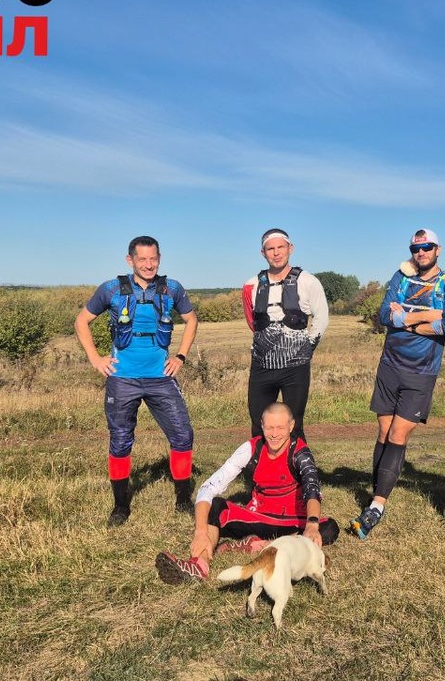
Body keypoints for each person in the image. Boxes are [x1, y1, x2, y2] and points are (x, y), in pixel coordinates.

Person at [75, 235, 199, 527]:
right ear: (130, 260)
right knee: (120, 440)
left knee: (183, 435)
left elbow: (192, 320)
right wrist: (96, 359)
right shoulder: (111, 289)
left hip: (161, 377)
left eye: (153, 259)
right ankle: (121, 507)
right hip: (122, 379)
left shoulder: (172, 288)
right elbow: (81, 321)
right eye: (142, 259)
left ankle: (183, 500)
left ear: (160, 258)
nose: (148, 265)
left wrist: (180, 357)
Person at [350, 228, 445, 539]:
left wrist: (406, 318)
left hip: (421, 372)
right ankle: (377, 494)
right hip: (389, 366)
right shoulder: (401, 277)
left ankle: (377, 506)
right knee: (383, 432)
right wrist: (424, 317)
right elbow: (385, 316)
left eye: (427, 247)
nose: (421, 252)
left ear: (438, 249)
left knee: (398, 434)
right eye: (416, 248)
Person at [155, 402, 339, 584]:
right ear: (262, 426)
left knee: (329, 528)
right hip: (257, 518)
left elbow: (312, 489)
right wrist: (201, 531)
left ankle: (261, 545)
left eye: (280, 428)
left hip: (291, 522)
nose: (274, 434)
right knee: (215, 506)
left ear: (291, 426)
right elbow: (208, 488)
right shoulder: (251, 449)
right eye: (269, 428)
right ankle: (199, 565)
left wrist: (312, 525)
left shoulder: (301, 453)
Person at [241, 228, 330, 440]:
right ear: (263, 253)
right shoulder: (252, 284)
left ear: (291, 248)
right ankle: (260, 461)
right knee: (259, 423)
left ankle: (298, 461)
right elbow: (252, 322)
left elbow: (321, 318)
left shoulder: (308, 281)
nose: (276, 253)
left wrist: (306, 349)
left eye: (281, 247)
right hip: (262, 365)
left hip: (296, 367)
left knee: (294, 423)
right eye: (270, 249)